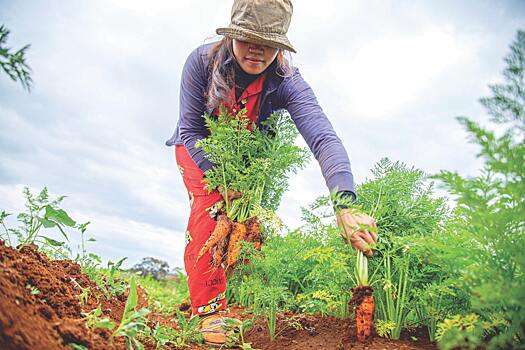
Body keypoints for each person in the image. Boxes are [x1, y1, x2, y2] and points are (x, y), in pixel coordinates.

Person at [165, 0, 378, 345]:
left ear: (280, 45)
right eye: (248, 38)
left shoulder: (287, 81)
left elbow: (323, 137)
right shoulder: (201, 62)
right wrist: (221, 179)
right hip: (198, 150)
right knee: (213, 211)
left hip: (246, 159)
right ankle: (205, 313)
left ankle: (217, 296)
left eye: (268, 43)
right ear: (233, 33)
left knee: (244, 231)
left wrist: (345, 203)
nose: (257, 50)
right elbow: (191, 131)